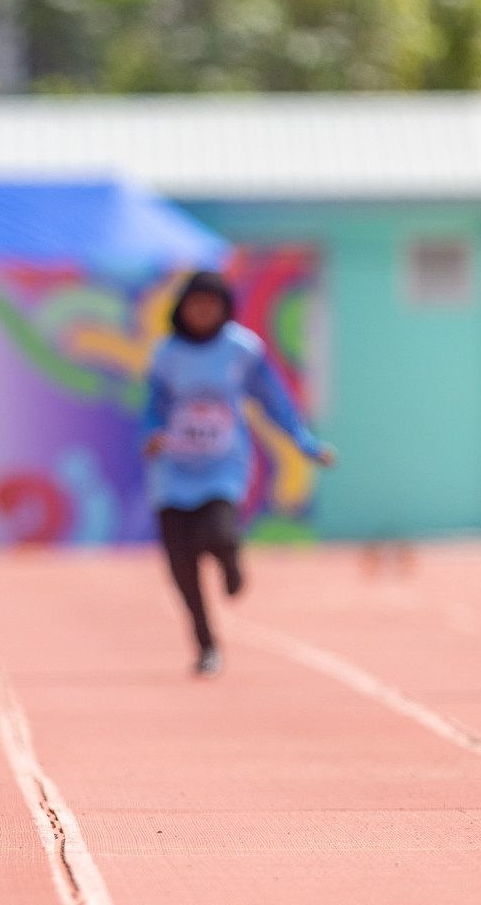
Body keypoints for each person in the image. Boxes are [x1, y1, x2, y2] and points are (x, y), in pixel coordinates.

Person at [143, 271, 336, 677]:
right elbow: (154, 408)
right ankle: (207, 645)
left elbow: (274, 400)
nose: (202, 314)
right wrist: (152, 436)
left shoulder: (242, 350)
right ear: (182, 308)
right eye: (195, 306)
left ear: (225, 309)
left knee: (217, 531)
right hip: (174, 472)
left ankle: (230, 561)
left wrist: (305, 443)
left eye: (211, 307)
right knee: (182, 566)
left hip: (222, 465)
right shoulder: (166, 355)